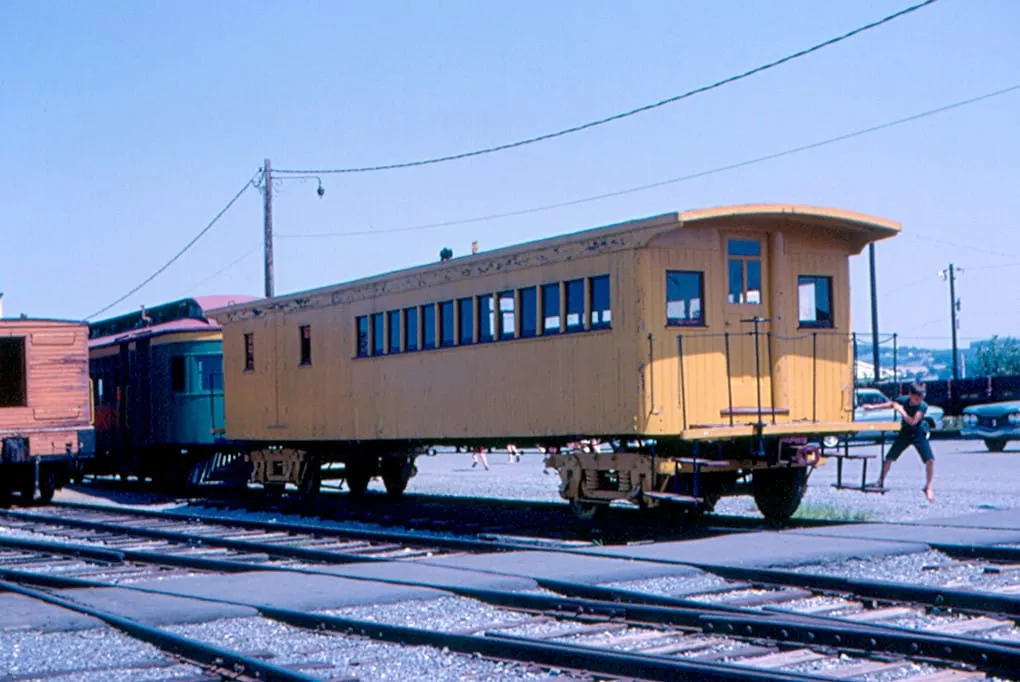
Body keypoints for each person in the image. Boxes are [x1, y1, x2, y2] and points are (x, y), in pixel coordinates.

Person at [862, 382, 935, 502]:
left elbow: (913, 422)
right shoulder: (904, 400)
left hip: (918, 433)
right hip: (905, 433)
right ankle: (880, 481)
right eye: (916, 398)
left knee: (930, 460)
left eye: (921, 398)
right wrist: (873, 407)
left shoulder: (923, 406)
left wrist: (901, 411)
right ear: (910, 394)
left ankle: (929, 487)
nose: (918, 401)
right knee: (889, 458)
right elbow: (892, 404)